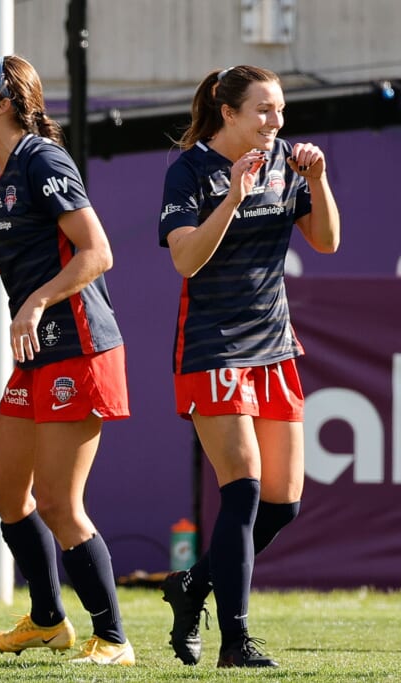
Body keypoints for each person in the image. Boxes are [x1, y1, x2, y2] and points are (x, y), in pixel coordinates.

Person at [0, 55, 135, 666]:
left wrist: (37, 304)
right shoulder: (6, 172)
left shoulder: (43, 160)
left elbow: (97, 252)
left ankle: (114, 639)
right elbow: (16, 259)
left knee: (57, 502)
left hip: (78, 346)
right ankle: (48, 620)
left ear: (2, 102)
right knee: (1, 488)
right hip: (40, 353)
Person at [157, 65, 339, 669]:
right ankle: (235, 643)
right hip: (213, 346)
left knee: (283, 503)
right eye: (264, 110)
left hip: (274, 348)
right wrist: (233, 196)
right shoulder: (190, 171)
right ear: (228, 112)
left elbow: (326, 240)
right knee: (244, 489)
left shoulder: (288, 159)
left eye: (281, 110)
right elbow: (184, 260)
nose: (276, 122)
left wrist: (319, 178)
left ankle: (192, 586)